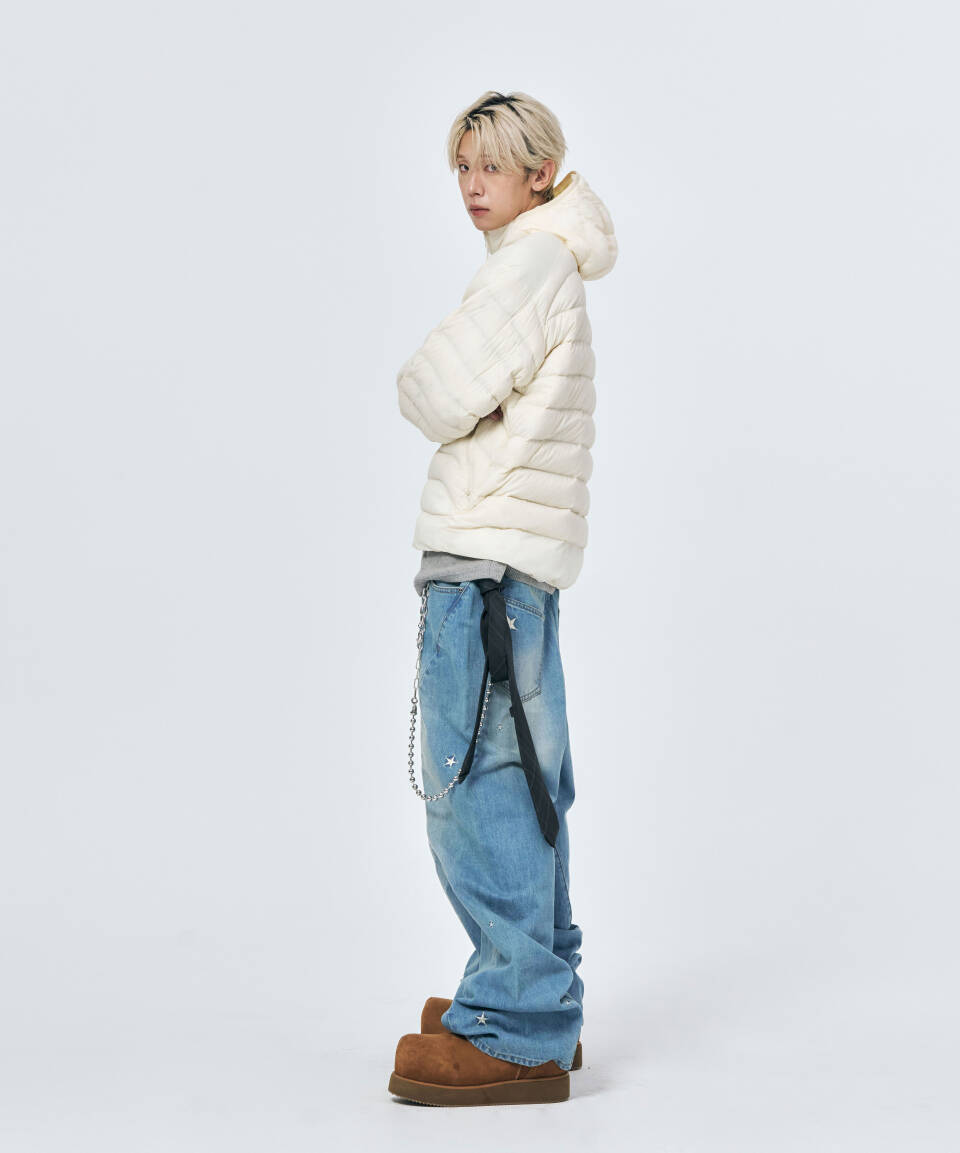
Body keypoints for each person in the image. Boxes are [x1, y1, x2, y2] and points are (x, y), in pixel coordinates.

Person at [388, 89, 618, 1107]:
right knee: (524, 782)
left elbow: (433, 390)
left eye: (494, 165)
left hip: (482, 569)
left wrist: (427, 383)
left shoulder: (526, 266)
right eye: (463, 166)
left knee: (474, 787)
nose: (473, 185)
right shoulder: (549, 263)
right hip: (516, 573)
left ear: (540, 174)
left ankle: (516, 1020)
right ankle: (539, 997)